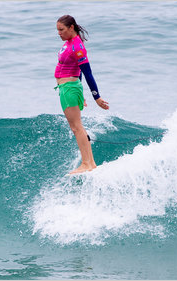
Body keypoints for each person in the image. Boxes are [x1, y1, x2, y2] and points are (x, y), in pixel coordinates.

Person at [54, 15, 109, 174]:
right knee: (77, 126)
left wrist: (96, 97)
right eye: (57, 30)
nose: (59, 33)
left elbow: (87, 72)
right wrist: (81, 94)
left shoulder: (77, 47)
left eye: (61, 29)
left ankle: (87, 163)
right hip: (69, 89)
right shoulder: (69, 43)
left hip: (69, 88)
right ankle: (90, 162)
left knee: (76, 127)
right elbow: (76, 70)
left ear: (71, 27)